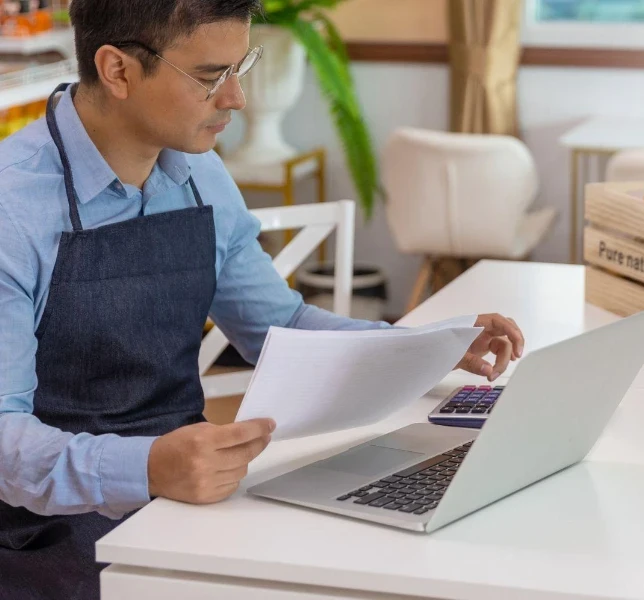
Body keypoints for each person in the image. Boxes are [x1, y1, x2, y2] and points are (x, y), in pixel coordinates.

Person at [0, 1, 525, 598]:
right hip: (40, 533)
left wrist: (434, 344)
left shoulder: (199, 173)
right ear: (117, 71)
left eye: (239, 67)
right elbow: (4, 441)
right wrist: (147, 467)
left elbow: (281, 325)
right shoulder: (11, 209)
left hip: (187, 500)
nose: (237, 99)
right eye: (209, 76)